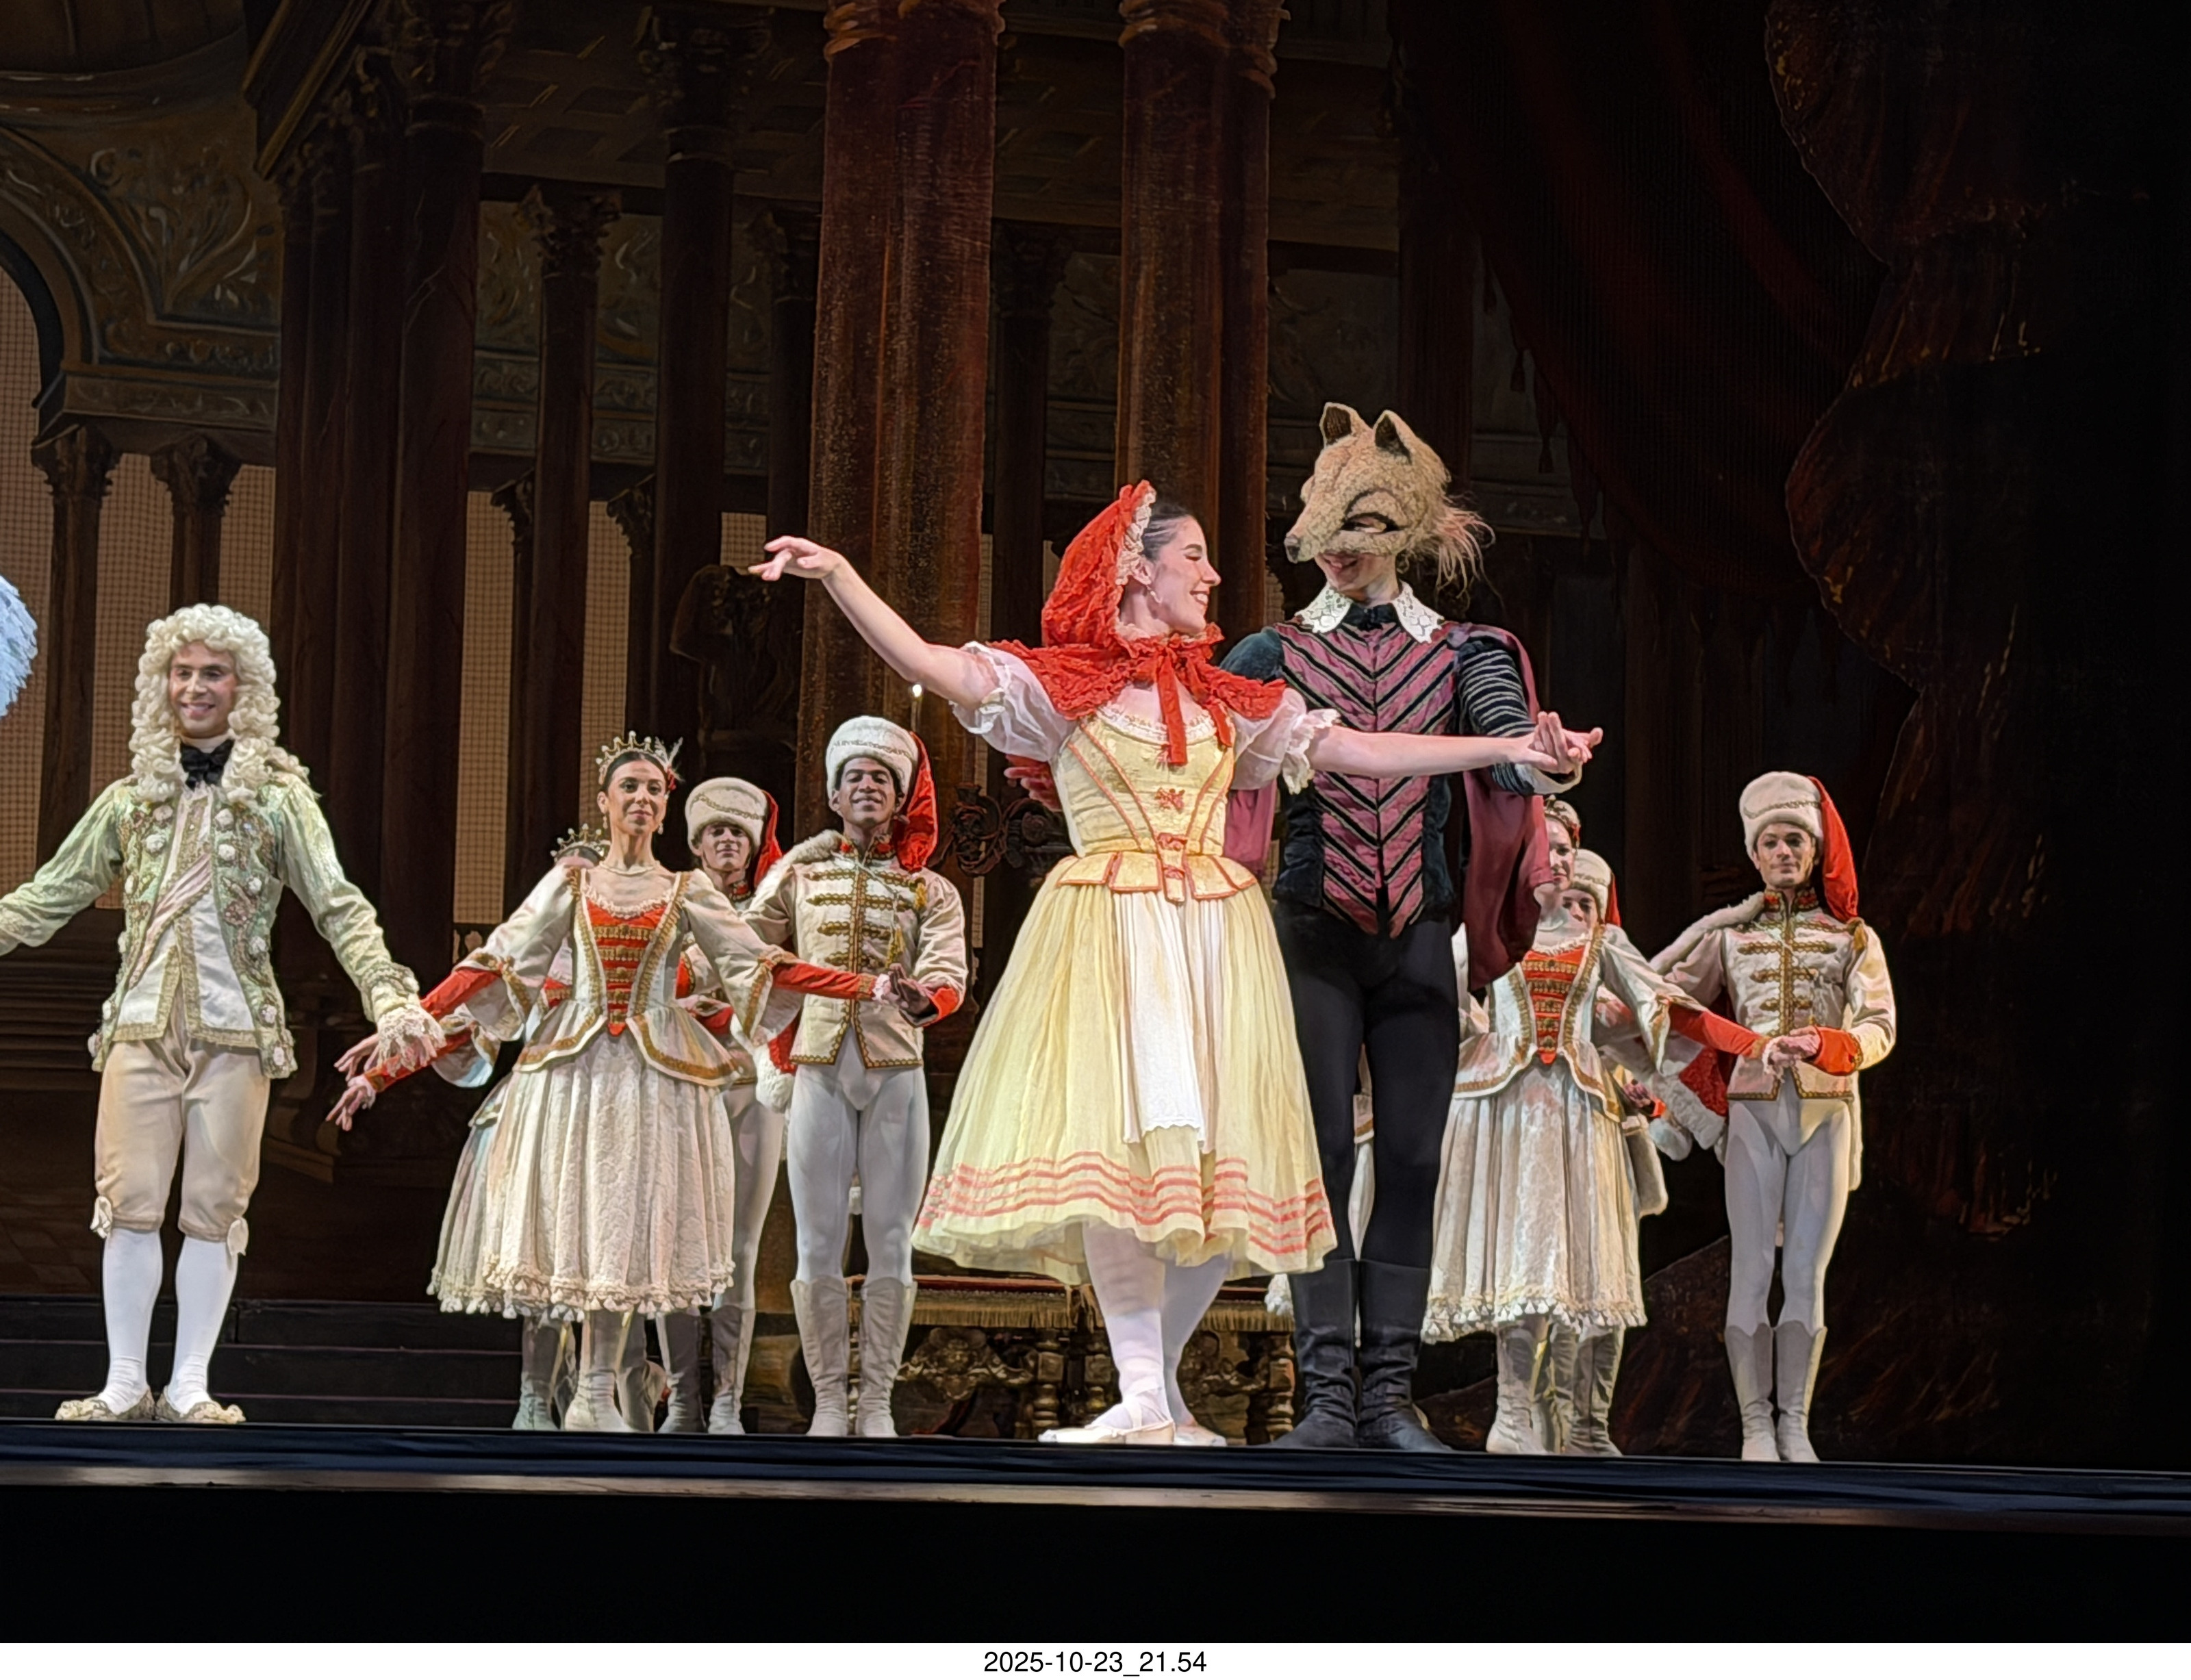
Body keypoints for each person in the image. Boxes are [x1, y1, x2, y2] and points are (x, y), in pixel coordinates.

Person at [755, 480, 1592, 1446]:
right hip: (1112, 931)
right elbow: (929, 663)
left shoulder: (1228, 699)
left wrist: (1510, 745)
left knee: (1225, 1169)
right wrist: (839, 574)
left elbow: (1365, 750)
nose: (1213, 574)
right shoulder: (1063, 687)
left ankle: (1158, 1394)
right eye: (1193, 556)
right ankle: (1145, 1390)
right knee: (1126, 1160)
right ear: (1137, 569)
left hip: (1215, 941)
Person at [1221, 404, 1595, 1451]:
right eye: (1329, 536)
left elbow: (1508, 746)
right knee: (1321, 1160)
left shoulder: (1466, 651)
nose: (1340, 556)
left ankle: (1388, 1395)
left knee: (1416, 1160)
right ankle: (1325, 1396)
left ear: (1407, 533)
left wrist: (1548, 761)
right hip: (1312, 928)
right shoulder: (1273, 649)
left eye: (1364, 534)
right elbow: (1207, 758)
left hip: (1419, 934)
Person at [332, 733, 891, 1431]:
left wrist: (866, 985)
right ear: (604, 802)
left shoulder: (686, 891)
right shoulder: (570, 884)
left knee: (624, 1225)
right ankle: (551, 1396)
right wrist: (403, 1031)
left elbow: (764, 967)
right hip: (573, 1072)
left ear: (665, 809)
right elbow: (495, 964)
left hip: (654, 1079)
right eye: (630, 786)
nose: (642, 798)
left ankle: (599, 1392)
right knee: (571, 1222)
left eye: (655, 789)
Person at [0, 605, 438, 1424]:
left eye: (213, 673)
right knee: (129, 1202)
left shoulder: (279, 800)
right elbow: (47, 897)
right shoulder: (129, 800)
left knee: (214, 1210)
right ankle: (124, 1383)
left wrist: (389, 994)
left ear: (244, 689)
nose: (195, 687)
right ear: (161, 684)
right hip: (140, 1025)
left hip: (237, 1031)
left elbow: (338, 906)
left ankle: (190, 1384)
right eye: (183, 672)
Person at [1650, 773, 1897, 1462]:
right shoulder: (1728, 936)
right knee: (1751, 1271)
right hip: (1753, 1114)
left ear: (1814, 850)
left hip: (1825, 1111)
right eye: (1770, 842)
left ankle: (1795, 1424)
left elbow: (1880, 1025)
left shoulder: (1850, 936)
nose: (1783, 851)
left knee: (1807, 1277)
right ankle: (1755, 1426)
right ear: (1753, 854)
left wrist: (1825, 1043)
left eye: (1794, 840)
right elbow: (1668, 1004)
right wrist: (1655, 1048)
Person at [1425, 844, 1701, 1455]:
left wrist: (1697, 1048)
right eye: (1567, 898)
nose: (1575, 911)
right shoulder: (1502, 937)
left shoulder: (1603, 955)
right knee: (1532, 1258)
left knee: (1592, 1265)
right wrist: (1477, 1043)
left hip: (1588, 1119)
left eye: (1586, 903)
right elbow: (1441, 990)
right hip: (1521, 1117)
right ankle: (1522, 1413)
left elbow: (1653, 1017)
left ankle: (1584, 1427)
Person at [739, 720, 967, 1438]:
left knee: (893, 1240)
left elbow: (948, 971)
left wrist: (922, 998)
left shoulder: (929, 888)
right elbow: (743, 947)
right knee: (816, 1241)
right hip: (818, 1067)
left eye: (880, 779)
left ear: (898, 799)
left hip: (896, 1068)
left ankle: (876, 1404)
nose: (867, 787)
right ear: (835, 797)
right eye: (854, 778)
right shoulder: (800, 876)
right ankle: (830, 1404)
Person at [653, 776, 790, 1433]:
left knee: (741, 1249)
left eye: (739, 831)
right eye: (716, 832)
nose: (728, 841)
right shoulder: (669, 904)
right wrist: (677, 1004)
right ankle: (683, 1398)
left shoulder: (778, 907)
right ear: (696, 843)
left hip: (750, 1085)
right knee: (676, 1242)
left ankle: (729, 1401)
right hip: (681, 1085)